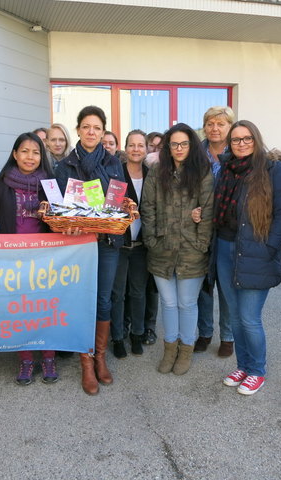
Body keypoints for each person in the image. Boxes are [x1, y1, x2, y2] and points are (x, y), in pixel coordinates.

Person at [216, 120, 281, 395]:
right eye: (236, 139)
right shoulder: (226, 169)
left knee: (249, 317)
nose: (241, 143)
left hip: (256, 252)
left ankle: (257, 370)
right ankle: (243, 364)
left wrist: (269, 248)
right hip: (225, 249)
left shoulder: (274, 169)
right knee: (235, 317)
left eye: (247, 138)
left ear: (256, 139)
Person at [0, 132, 57, 385]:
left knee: (45, 309)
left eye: (35, 152)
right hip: (12, 260)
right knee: (21, 310)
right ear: (14, 154)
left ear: (41, 156)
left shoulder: (51, 185)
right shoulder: (1, 185)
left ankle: (48, 356)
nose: (30, 157)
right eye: (24, 151)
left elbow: (61, 220)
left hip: (45, 259)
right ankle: (25, 359)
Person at [55, 105, 125, 395]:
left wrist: (110, 215)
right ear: (79, 130)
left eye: (97, 127)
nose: (92, 132)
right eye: (86, 127)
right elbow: (60, 208)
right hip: (77, 244)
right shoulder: (65, 166)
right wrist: (69, 224)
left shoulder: (112, 163)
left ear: (103, 130)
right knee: (81, 301)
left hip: (107, 241)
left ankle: (100, 358)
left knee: (104, 300)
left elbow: (118, 201)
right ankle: (85, 362)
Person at [141, 123, 214, 376]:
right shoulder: (157, 171)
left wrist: (201, 243)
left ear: (191, 145)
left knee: (186, 303)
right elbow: (147, 207)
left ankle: (186, 348)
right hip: (161, 247)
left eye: (184, 144)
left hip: (192, 249)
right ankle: (169, 348)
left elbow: (208, 210)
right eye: (174, 144)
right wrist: (151, 238)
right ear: (167, 147)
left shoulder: (202, 172)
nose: (179, 148)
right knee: (168, 303)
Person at [195, 106, 236, 357]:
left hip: (228, 230)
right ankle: (205, 332)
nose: (215, 128)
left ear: (230, 127)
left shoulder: (239, 153)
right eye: (210, 123)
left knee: (227, 286)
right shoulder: (196, 155)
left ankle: (228, 336)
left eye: (221, 123)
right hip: (200, 228)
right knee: (203, 285)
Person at [110, 130, 150, 358]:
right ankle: (117, 337)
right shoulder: (116, 174)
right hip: (120, 243)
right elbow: (110, 207)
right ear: (125, 148)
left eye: (140, 145)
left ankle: (137, 333)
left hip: (143, 244)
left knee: (138, 292)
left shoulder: (151, 174)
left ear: (146, 149)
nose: (136, 149)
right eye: (132, 145)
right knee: (118, 294)